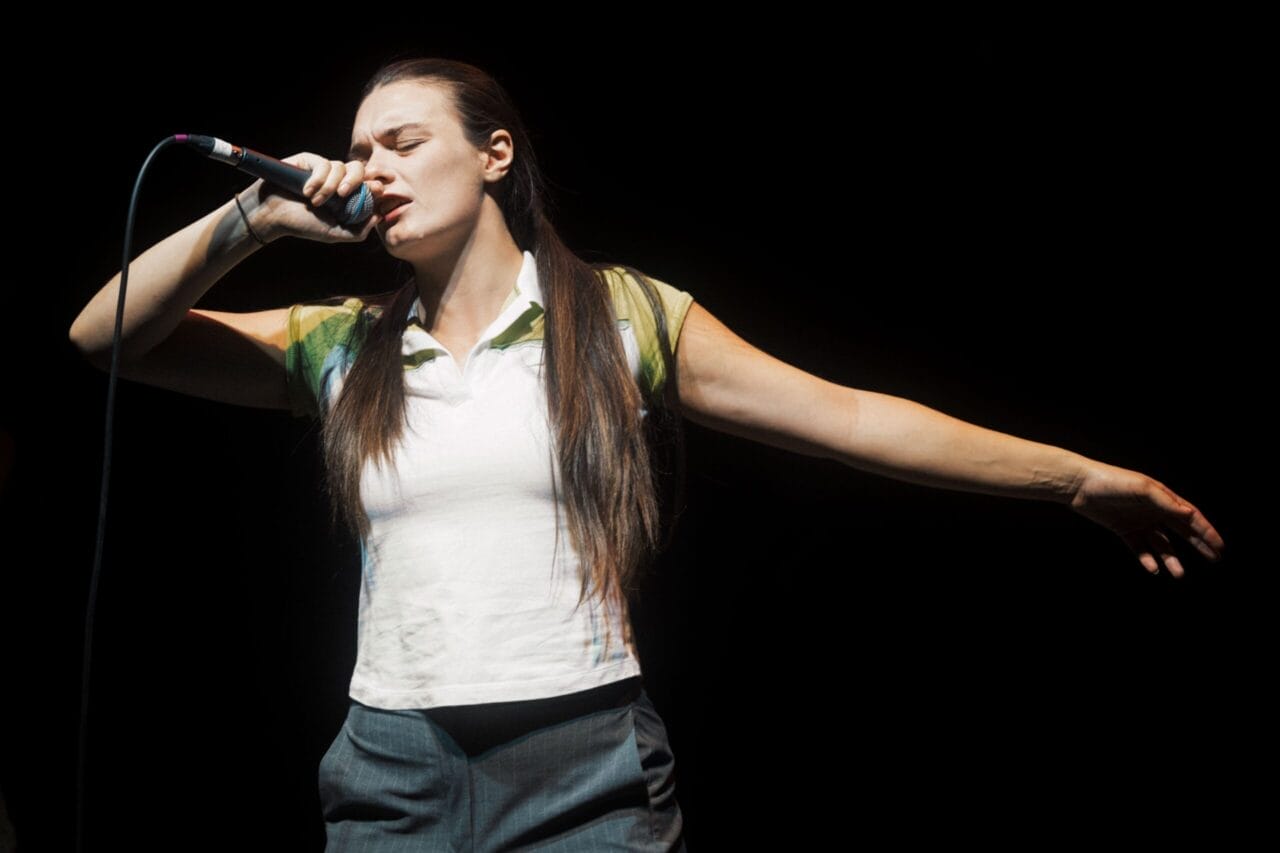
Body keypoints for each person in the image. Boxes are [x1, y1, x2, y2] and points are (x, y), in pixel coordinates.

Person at [68, 56, 1225, 851]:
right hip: (390, 770)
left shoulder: (617, 317)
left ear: (493, 155)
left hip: (586, 766)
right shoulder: (343, 343)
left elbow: (849, 415)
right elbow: (105, 338)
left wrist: (1074, 476)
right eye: (358, 148)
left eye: (405, 141)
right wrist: (253, 221)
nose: (369, 166)